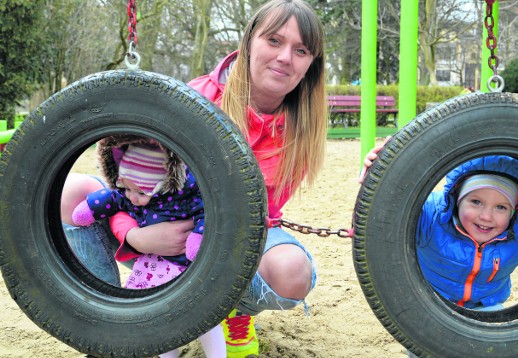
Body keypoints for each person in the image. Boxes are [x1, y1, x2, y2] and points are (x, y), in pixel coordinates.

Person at [61, 1, 326, 357]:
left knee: (291, 270)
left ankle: (233, 311)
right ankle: (112, 315)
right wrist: (136, 235)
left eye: (301, 50)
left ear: (311, 63)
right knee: (72, 192)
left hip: (230, 242)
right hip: (154, 222)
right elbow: (135, 180)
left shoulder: (301, 130)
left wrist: (204, 245)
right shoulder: (195, 97)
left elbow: (259, 217)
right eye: (274, 41)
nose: (284, 57)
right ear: (249, 42)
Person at [360, 151, 518, 356]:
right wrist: (380, 174)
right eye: (476, 201)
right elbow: (388, 209)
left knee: (497, 340)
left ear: (514, 211)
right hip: (430, 309)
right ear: (457, 197)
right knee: (424, 345)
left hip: (484, 312)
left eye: (501, 207)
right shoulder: (431, 216)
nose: (486, 216)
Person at [69, 135, 225, 358]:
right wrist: (91, 209)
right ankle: (167, 354)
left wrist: (197, 238)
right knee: (158, 317)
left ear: (163, 184)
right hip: (153, 265)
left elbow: (204, 213)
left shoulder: (185, 198)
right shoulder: (131, 194)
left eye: (141, 192)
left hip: (188, 268)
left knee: (202, 316)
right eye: (127, 188)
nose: (133, 198)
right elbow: (112, 198)